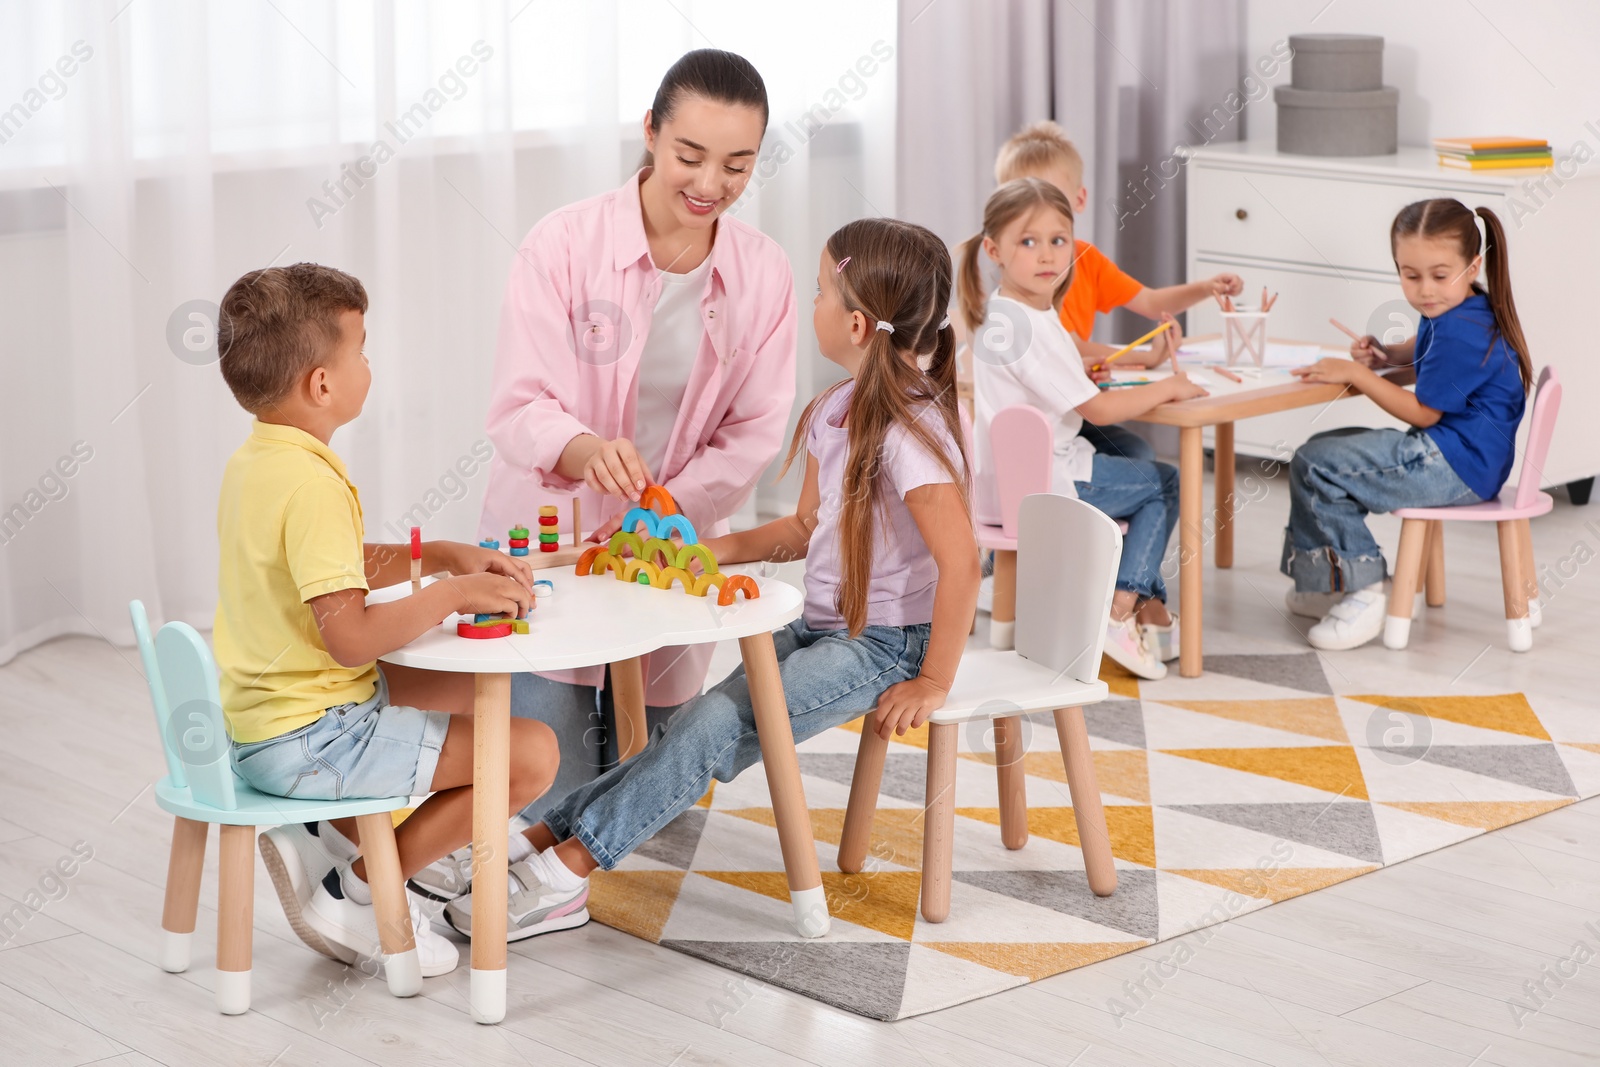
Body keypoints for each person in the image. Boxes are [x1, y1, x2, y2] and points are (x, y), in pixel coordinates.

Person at [440, 217, 981, 942]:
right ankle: (540, 842)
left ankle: (567, 868)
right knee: (700, 723)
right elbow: (800, 530)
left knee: (711, 726)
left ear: (855, 323)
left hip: (886, 645)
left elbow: (963, 562)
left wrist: (934, 678)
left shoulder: (911, 435)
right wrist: (696, 549)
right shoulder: (834, 412)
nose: (810, 304)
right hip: (823, 626)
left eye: (821, 291)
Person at [464, 49, 797, 868]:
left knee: (658, 811)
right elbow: (518, 403)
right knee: (544, 801)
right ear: (650, 133)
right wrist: (582, 451)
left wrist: (666, 504)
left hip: (666, 550)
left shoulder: (762, 272)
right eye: (690, 155)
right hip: (557, 547)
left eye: (737, 164)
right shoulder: (562, 246)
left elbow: (756, 427)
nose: (710, 183)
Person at [212, 263, 559, 974]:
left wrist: (433, 555)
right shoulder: (311, 483)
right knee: (531, 754)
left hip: (267, 720)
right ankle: (365, 890)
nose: (370, 363)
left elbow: (325, 570)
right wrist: (452, 592)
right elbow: (348, 638)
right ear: (322, 383)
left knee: (467, 689)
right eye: (361, 349)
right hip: (313, 737)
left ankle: (346, 838)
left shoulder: (260, 459)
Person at [959, 178, 1208, 678]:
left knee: (1138, 461)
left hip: (996, 488)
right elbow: (1098, 412)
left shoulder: (1005, 314)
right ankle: (1120, 610)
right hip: (1046, 487)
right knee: (1166, 482)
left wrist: (1083, 375)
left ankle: (1144, 607)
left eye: (1059, 240)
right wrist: (1168, 386)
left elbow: (1051, 383)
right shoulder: (1031, 324)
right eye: (1028, 242)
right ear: (995, 250)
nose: (1047, 254)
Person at [1283, 199, 1530, 651]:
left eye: (1439, 275)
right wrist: (1387, 356)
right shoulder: (1464, 305)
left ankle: (1365, 589)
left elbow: (1423, 413)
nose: (1424, 290)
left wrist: (1358, 374)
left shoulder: (1461, 329)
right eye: (1409, 275)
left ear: (1473, 265)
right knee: (1320, 448)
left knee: (1315, 463)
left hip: (1453, 465)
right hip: (1464, 459)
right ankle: (1331, 582)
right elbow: (1425, 353)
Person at [992, 120, 1242, 463]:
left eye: (1050, 197)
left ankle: (1097, 512)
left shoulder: (1084, 260)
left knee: (1139, 454)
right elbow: (1072, 347)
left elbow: (1151, 302)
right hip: (1049, 422)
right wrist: (1145, 359)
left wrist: (1204, 287)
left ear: (1079, 200)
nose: (1037, 210)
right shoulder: (1026, 281)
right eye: (1022, 198)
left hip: (1072, 408)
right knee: (1153, 474)